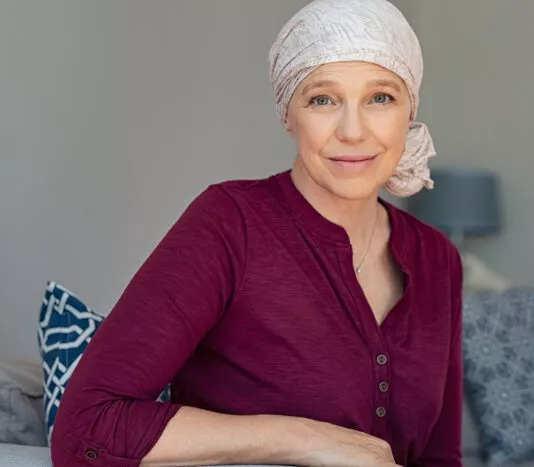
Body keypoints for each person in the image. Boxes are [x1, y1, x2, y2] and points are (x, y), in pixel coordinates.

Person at [51, 0, 463, 466]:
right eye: (322, 99)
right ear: (288, 113)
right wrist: (306, 439)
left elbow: (439, 457)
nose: (353, 130)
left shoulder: (438, 258)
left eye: (381, 98)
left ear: (410, 110)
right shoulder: (231, 223)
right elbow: (87, 427)